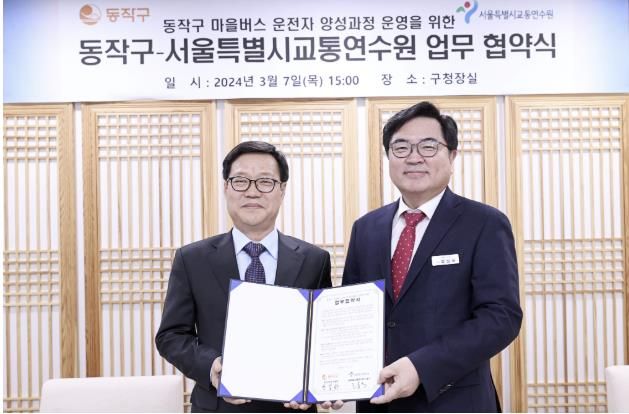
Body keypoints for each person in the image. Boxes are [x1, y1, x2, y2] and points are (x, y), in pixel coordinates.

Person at [342, 101, 523, 412]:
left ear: (452, 156)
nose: (414, 157)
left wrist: (421, 366)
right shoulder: (366, 228)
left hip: (455, 401)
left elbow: (501, 317)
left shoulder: (484, 223)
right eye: (401, 147)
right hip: (379, 402)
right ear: (388, 157)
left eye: (428, 146)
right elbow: (351, 312)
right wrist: (330, 378)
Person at [156, 141, 333, 412]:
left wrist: (323, 382)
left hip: (291, 407)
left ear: (282, 190)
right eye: (240, 181)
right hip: (217, 407)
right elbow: (171, 335)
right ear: (226, 188)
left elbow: (324, 337)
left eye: (265, 181)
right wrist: (211, 366)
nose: (252, 191)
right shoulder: (192, 259)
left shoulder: (314, 260)